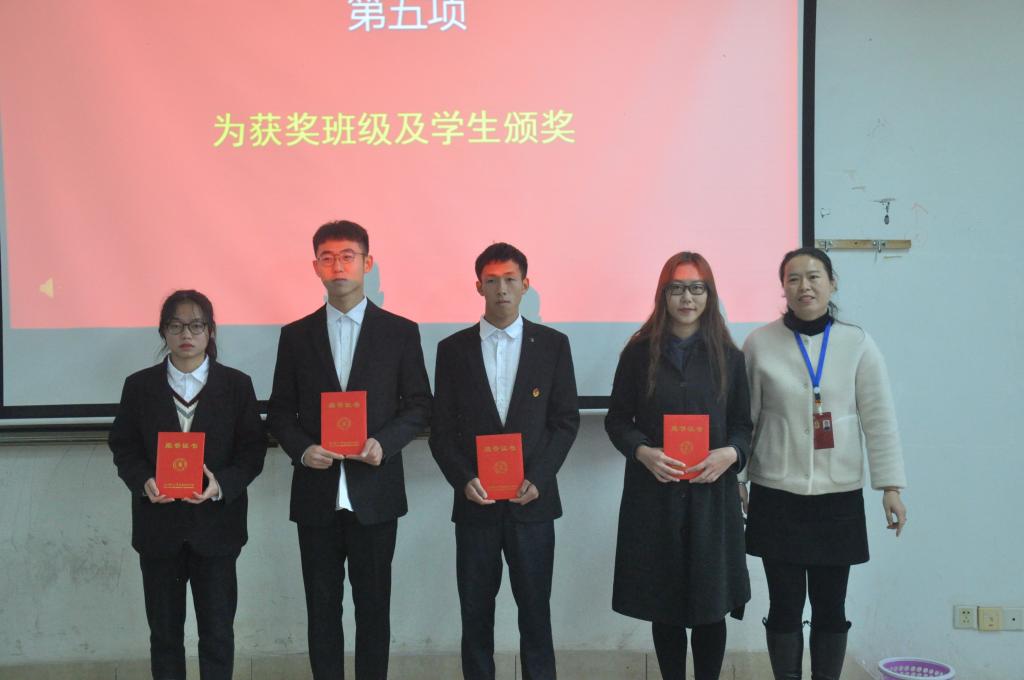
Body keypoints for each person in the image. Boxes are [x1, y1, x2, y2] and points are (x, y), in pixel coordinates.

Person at [267, 219, 431, 680]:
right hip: (316, 494)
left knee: (374, 610)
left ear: (367, 263)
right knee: (321, 610)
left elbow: (420, 405)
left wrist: (386, 443)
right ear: (315, 266)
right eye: (328, 257)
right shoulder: (295, 336)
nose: (337, 266)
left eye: (347, 256)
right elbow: (279, 412)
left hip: (375, 493)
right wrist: (303, 450)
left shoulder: (400, 332)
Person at [740, 247, 908, 680]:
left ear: (832, 283)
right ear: (783, 288)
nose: (805, 286)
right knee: (784, 604)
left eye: (814, 276)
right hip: (776, 494)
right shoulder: (759, 343)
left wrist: (890, 486)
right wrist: (738, 478)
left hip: (838, 498)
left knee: (831, 606)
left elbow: (879, 419)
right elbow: (745, 418)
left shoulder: (857, 343)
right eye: (793, 278)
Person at [429, 242, 580, 680]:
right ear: (478, 286)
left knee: (536, 615)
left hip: (532, 504)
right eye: (491, 280)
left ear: (525, 284)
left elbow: (565, 421)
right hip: (475, 505)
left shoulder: (552, 345)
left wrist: (539, 478)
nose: (501, 289)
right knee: (475, 616)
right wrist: (463, 480)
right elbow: (441, 432)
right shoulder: (452, 349)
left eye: (510, 280)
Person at [604, 252, 751, 680]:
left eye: (697, 288)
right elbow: (617, 420)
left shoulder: (729, 357)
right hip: (656, 495)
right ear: (663, 294)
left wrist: (731, 454)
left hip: (712, 496)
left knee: (711, 605)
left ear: (709, 294)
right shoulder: (638, 354)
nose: (687, 298)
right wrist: (642, 451)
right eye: (678, 288)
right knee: (664, 604)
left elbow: (743, 426)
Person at [109, 289, 267, 680]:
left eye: (196, 325)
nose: (186, 334)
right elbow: (123, 446)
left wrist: (222, 484)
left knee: (217, 634)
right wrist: (143, 480)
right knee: (164, 636)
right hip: (158, 529)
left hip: (217, 529)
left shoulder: (236, 385)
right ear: (162, 331)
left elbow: (253, 451)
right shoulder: (139, 386)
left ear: (211, 331)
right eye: (176, 325)